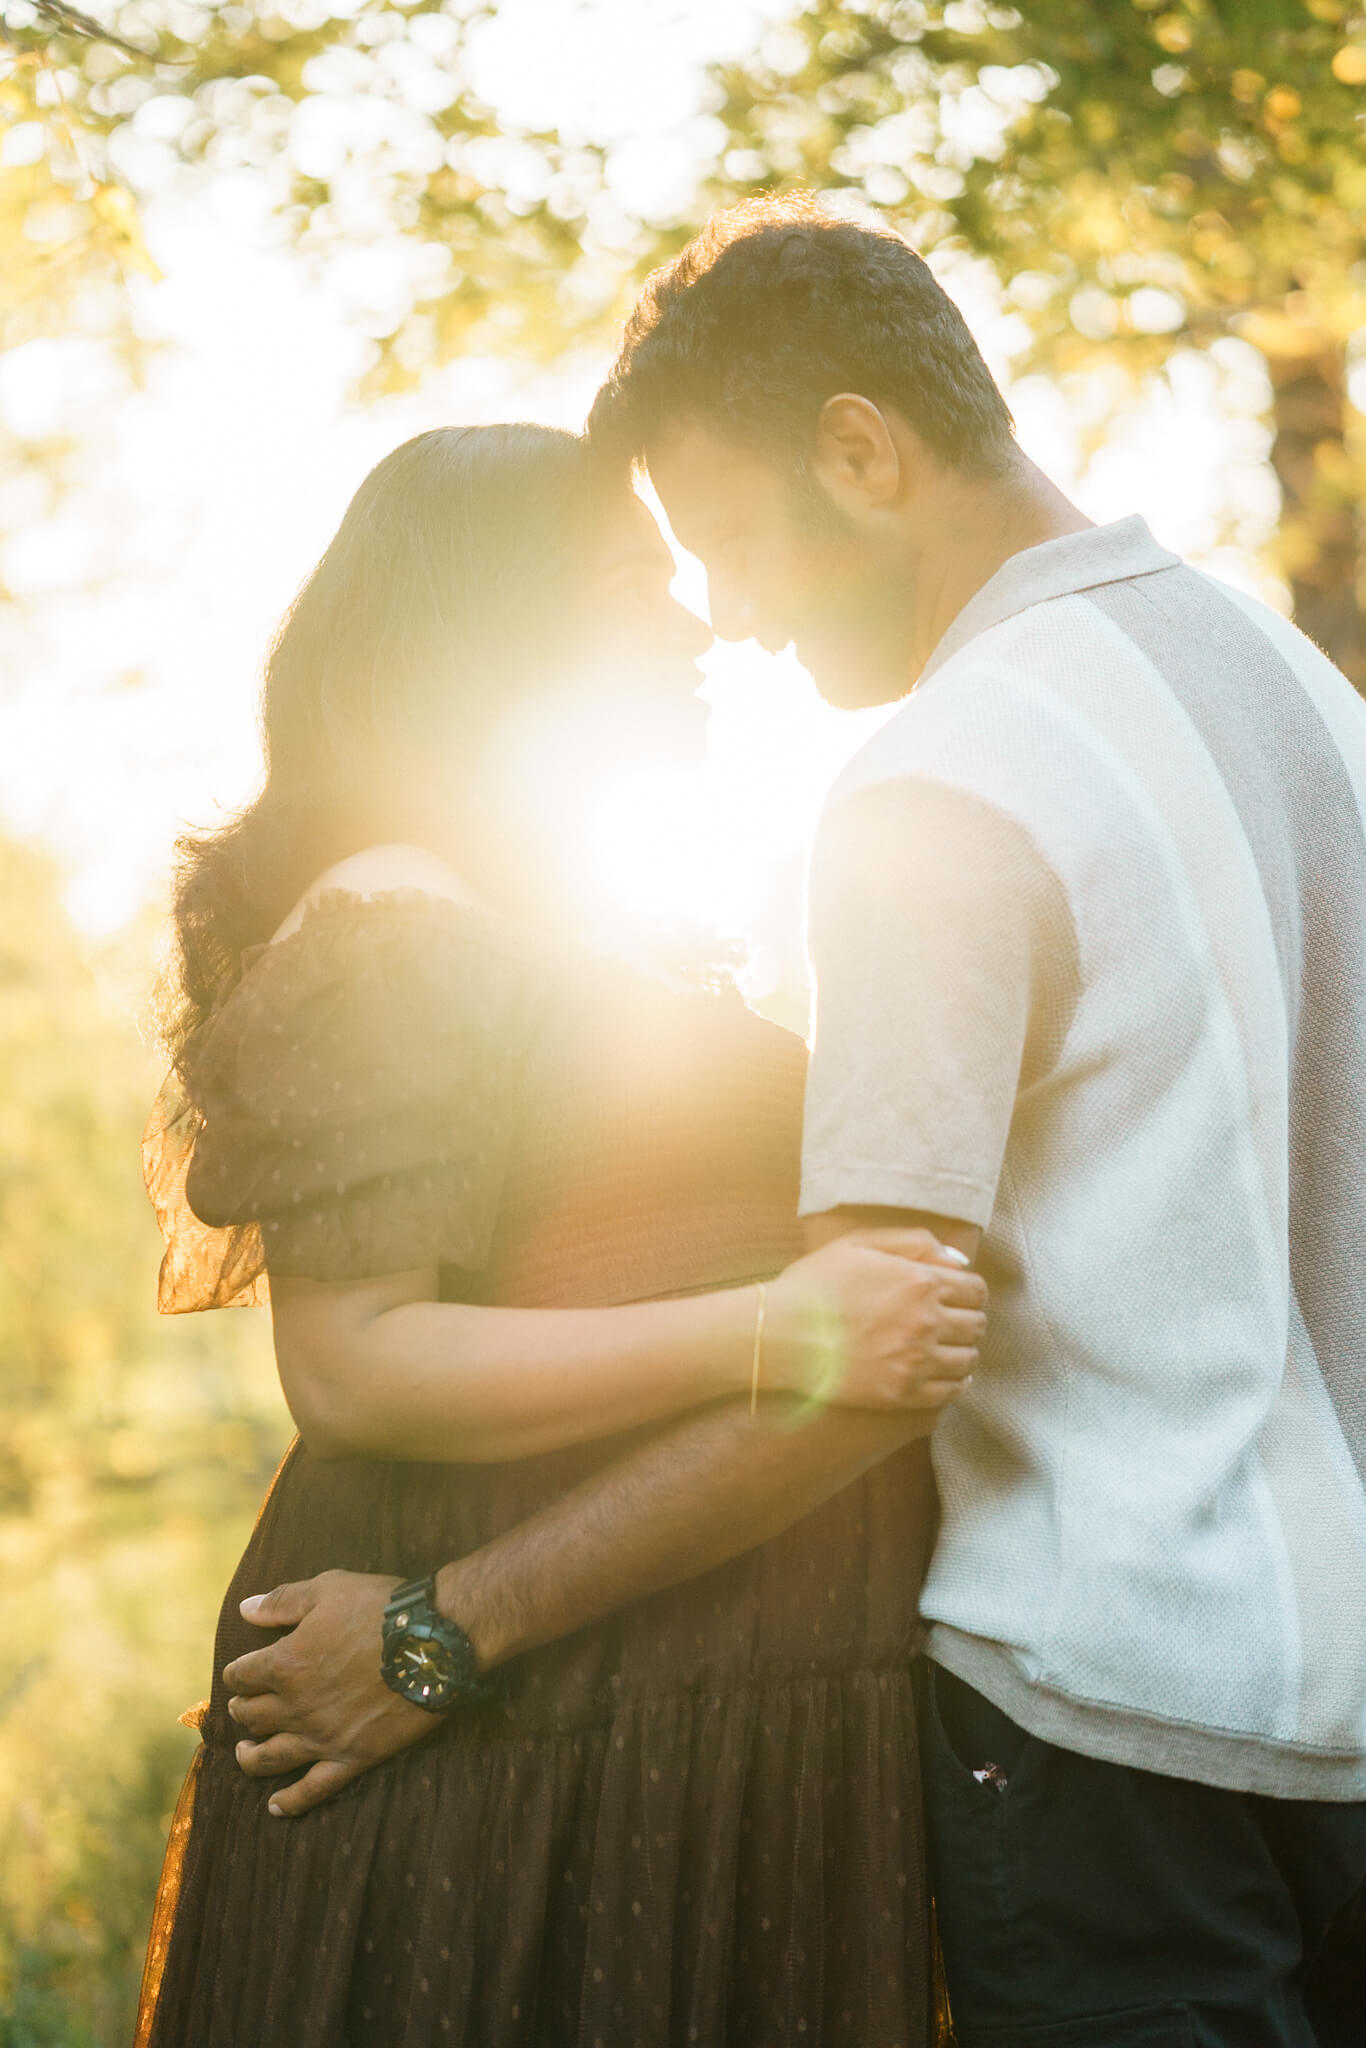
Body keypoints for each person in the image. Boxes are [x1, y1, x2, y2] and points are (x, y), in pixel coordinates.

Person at [233, 201, 1366, 2047]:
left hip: (1113, 1733)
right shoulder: (1309, 699)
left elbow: (866, 1350)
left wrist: (446, 1628)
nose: (733, 620)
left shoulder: (943, 775)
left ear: (861, 447)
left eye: (731, 543)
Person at [135, 420, 988, 2048]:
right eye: (630, 588)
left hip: (697, 1683)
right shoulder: (392, 914)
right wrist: (788, 1332)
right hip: (516, 1720)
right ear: (493, 630)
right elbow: (353, 1363)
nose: (689, 630)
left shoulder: (551, 922)